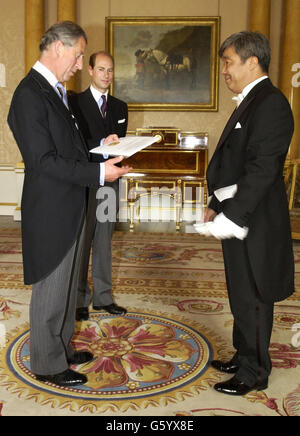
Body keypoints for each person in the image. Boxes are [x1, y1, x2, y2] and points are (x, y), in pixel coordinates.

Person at [7, 21, 131, 387]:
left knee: (67, 285)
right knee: (51, 287)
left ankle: (60, 347)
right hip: (50, 210)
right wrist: (98, 175)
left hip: (70, 203)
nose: (80, 65)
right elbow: (43, 161)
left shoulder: (55, 91)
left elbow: (72, 151)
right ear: (58, 48)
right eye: (78, 56)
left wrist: (102, 153)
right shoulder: (29, 94)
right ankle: (47, 364)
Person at [196, 31, 294, 395]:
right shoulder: (250, 100)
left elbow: (261, 170)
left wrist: (232, 216)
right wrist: (214, 203)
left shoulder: (271, 103)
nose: (224, 70)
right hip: (237, 215)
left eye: (228, 62)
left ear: (252, 62)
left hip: (254, 222)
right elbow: (232, 164)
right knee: (239, 291)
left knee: (253, 296)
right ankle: (243, 354)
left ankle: (255, 372)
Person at [69, 51, 128, 321]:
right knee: (82, 241)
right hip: (85, 179)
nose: (107, 75)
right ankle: (80, 299)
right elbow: (76, 143)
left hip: (108, 184)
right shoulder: (74, 103)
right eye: (102, 69)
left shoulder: (120, 107)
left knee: (104, 240)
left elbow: (121, 146)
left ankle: (103, 298)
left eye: (111, 70)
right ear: (90, 70)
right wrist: (102, 142)